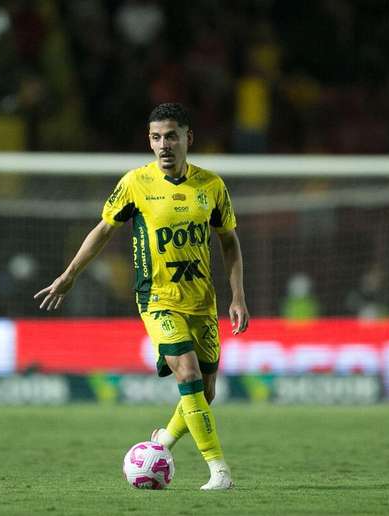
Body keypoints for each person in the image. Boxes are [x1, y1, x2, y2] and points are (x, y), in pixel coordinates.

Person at [35, 103, 249, 489]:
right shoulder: (135, 183)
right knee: (187, 373)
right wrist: (69, 275)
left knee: (206, 391)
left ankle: (164, 440)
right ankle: (219, 470)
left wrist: (238, 297)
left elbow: (229, 241)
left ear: (188, 138)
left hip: (202, 302)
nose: (163, 144)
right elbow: (103, 230)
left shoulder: (212, 187)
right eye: (155, 137)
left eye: (170, 135)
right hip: (157, 300)